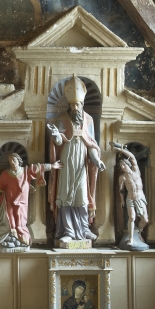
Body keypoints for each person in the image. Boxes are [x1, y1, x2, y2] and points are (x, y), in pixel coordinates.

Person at [47, 75, 106, 243]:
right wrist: (56, 135)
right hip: (66, 161)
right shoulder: (62, 119)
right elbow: (58, 142)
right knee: (65, 195)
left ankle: (84, 229)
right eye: (72, 104)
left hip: (81, 162)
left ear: (83, 104)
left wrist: (96, 160)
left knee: (82, 196)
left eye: (78, 104)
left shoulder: (88, 120)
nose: (75, 107)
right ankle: (68, 231)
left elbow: (91, 144)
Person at [0, 153, 61, 249]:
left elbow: (38, 167)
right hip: (9, 203)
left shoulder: (26, 171)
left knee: (21, 223)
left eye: (14, 160)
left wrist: (52, 166)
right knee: (9, 223)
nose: (12, 162)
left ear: (19, 161)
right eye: (10, 161)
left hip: (22, 204)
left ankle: (18, 239)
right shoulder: (6, 174)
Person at [114, 142, 149, 247]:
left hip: (140, 198)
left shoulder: (136, 171)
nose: (123, 167)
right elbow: (121, 190)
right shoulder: (122, 177)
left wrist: (121, 150)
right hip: (130, 198)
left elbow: (132, 157)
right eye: (121, 166)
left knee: (145, 220)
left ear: (127, 164)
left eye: (124, 165)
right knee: (132, 217)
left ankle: (139, 231)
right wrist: (122, 200)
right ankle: (131, 238)